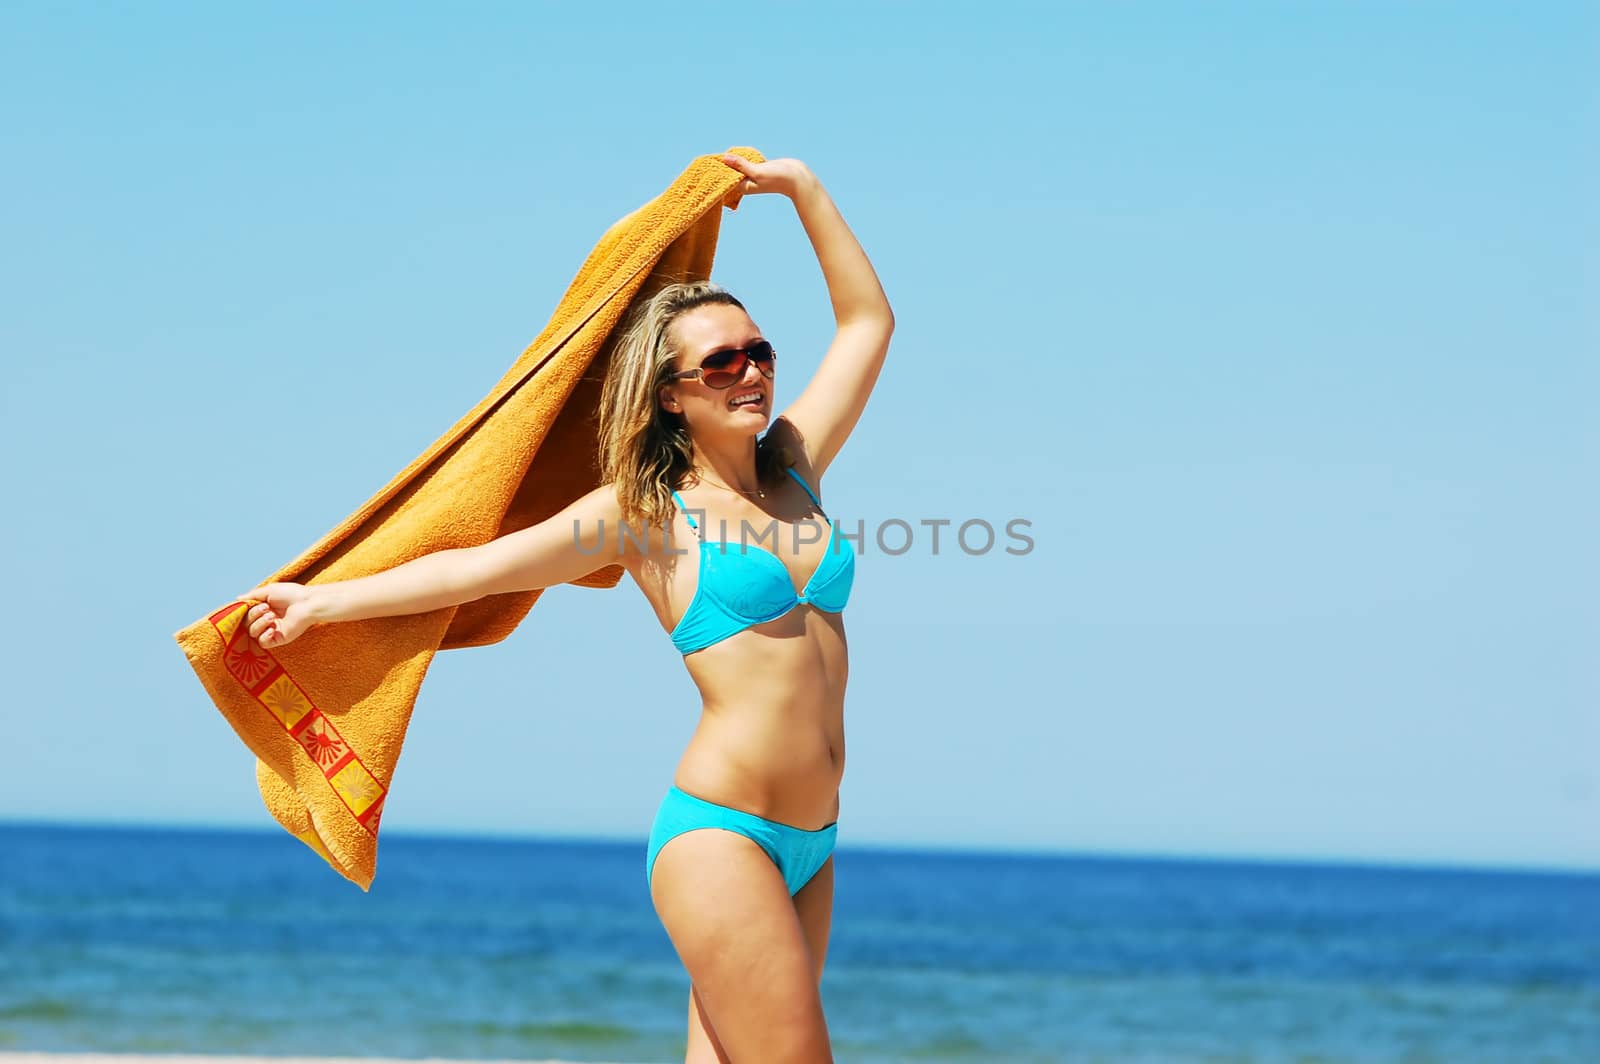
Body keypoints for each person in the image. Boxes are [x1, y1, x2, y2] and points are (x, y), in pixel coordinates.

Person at [239, 153, 893, 1063]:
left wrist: (805, 191)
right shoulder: (641, 513)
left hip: (815, 837)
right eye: (721, 362)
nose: (751, 372)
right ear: (672, 395)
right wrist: (322, 603)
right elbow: (475, 571)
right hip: (721, 836)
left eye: (760, 352)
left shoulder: (795, 466)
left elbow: (868, 323)